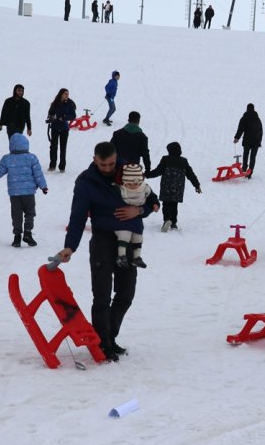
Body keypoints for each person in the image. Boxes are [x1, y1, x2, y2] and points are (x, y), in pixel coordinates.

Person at [57, 142, 158, 362]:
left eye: (111, 163)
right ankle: (102, 343)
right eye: (102, 164)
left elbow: (152, 200)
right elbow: (77, 217)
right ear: (95, 160)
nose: (107, 168)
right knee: (101, 295)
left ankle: (109, 337)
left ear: (116, 158)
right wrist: (69, 246)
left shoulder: (130, 172)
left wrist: (138, 210)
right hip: (103, 240)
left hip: (130, 240)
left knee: (126, 293)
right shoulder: (86, 183)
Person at [0, 133, 48, 248]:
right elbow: (38, 174)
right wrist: (43, 186)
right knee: (30, 213)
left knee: (16, 214)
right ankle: (28, 233)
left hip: (14, 193)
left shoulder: (7, 159)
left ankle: (17, 237)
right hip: (29, 193)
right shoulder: (31, 158)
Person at [145, 142, 201, 232]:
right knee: (174, 204)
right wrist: (197, 185)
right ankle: (174, 223)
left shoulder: (165, 159)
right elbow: (190, 174)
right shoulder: (184, 161)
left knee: (166, 204)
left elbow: (158, 171)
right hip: (178, 188)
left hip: (166, 186)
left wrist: (147, 175)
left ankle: (167, 220)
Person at [115, 164, 156, 269]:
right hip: (123, 219)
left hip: (136, 220)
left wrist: (155, 204)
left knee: (138, 236)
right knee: (124, 234)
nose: (133, 186)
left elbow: (152, 197)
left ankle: (137, 257)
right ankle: (121, 255)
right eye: (129, 184)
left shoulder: (144, 188)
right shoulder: (120, 190)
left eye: (136, 184)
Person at [46, 88, 76, 172]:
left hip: (64, 129)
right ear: (61, 94)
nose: (67, 95)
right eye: (65, 93)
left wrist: (65, 117)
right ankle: (52, 165)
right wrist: (51, 117)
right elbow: (50, 112)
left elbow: (73, 116)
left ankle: (62, 167)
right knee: (53, 147)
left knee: (63, 148)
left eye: (68, 94)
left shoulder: (70, 104)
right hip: (55, 127)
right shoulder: (55, 103)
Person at [233, 103, 263, 178]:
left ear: (247, 109)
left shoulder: (244, 118)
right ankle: (250, 172)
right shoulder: (257, 119)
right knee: (253, 157)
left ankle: (244, 168)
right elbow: (261, 131)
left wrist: (237, 138)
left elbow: (240, 129)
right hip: (256, 141)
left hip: (247, 140)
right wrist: (259, 141)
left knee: (246, 154)